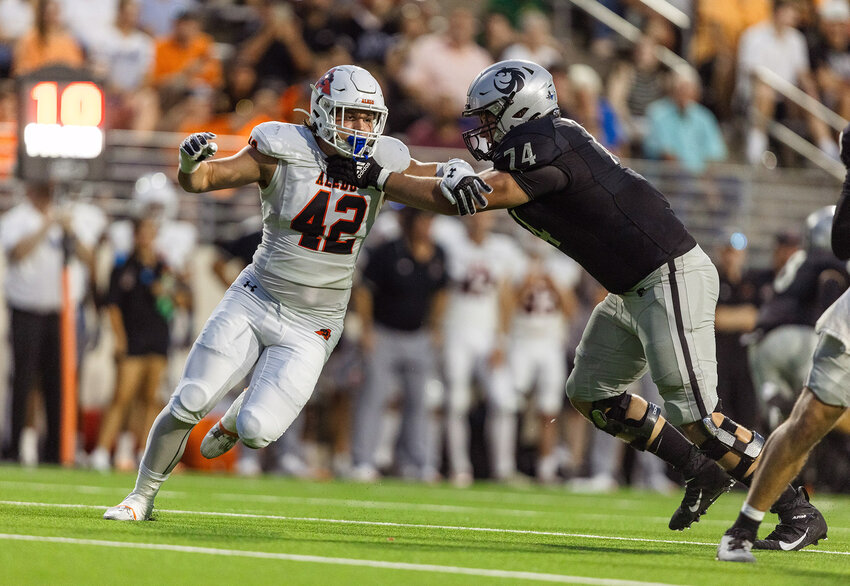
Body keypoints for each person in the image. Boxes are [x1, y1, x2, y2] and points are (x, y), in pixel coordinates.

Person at [326, 58, 825, 545]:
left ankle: (797, 508)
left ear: (518, 110)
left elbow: (466, 197)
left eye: (489, 118)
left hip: (668, 274)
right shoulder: (545, 141)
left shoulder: (545, 141)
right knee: (592, 392)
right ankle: (698, 471)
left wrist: (375, 175)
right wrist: (404, 165)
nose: (482, 130)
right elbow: (459, 184)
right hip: (633, 285)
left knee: (700, 419)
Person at [102, 64, 464, 521]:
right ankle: (141, 497)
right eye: (350, 116)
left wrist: (455, 170)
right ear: (323, 111)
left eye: (368, 119)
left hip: (314, 322)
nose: (360, 128)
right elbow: (204, 181)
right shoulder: (284, 147)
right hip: (256, 298)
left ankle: (235, 418)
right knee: (191, 399)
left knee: (256, 429)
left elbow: (430, 184)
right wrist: (190, 163)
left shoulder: (385, 159)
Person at [716, 123, 850, 562]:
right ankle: (746, 526)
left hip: (773, 342)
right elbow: (844, 241)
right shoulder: (821, 261)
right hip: (803, 336)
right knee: (807, 420)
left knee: (798, 418)